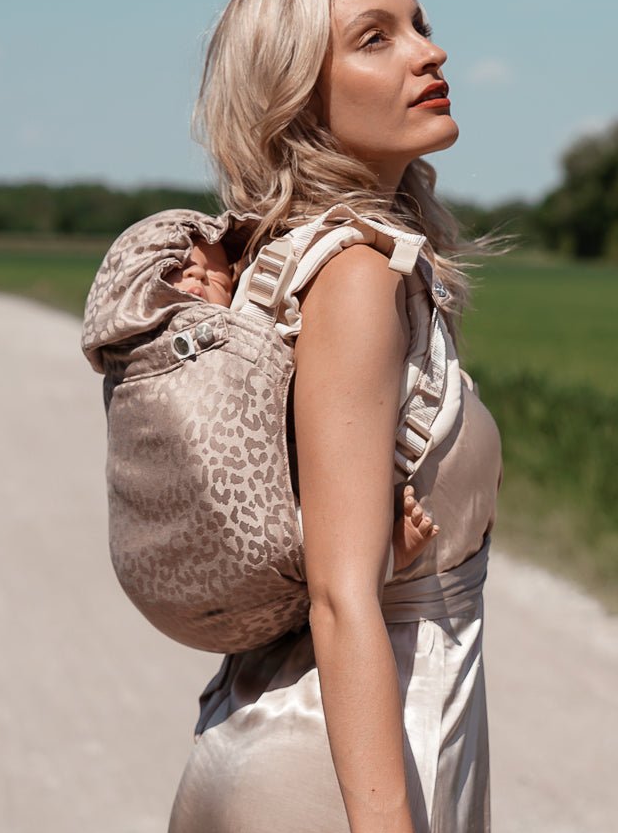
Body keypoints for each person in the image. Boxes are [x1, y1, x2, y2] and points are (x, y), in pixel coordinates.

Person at [155, 0, 503, 833]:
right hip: (350, 789)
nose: (429, 53)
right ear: (298, 98)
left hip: (279, 745)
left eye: (418, 25)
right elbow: (342, 595)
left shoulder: (288, 261)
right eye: (375, 38)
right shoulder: (356, 275)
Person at [166, 233, 442, 576]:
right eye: (180, 267)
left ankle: (384, 560)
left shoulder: (240, 331)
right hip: (181, 493)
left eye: (216, 276)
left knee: (309, 526)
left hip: (251, 490)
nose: (198, 273)